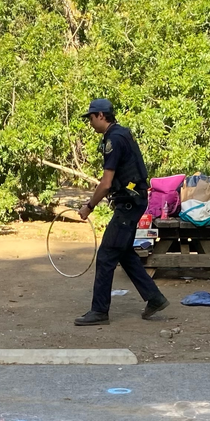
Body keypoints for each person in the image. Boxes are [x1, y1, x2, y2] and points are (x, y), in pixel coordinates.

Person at [75, 99, 169, 326]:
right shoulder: (120, 133)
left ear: (100, 115)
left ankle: (99, 311)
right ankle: (155, 298)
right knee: (124, 253)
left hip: (128, 205)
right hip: (133, 201)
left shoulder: (114, 140)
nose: (90, 122)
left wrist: (89, 206)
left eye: (91, 118)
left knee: (106, 254)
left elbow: (106, 183)